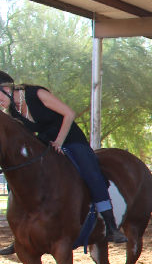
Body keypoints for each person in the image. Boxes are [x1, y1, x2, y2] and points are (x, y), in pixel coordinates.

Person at [0, 71, 127, 244]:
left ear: (7, 88)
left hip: (71, 140)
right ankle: (20, 235)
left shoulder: (36, 94)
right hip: (47, 145)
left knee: (92, 174)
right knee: (20, 178)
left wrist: (59, 141)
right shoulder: (13, 112)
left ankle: (111, 226)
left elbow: (69, 113)